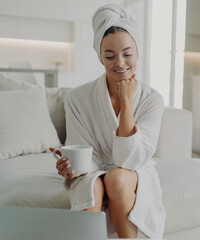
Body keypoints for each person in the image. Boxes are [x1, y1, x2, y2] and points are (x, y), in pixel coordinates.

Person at [51, 4, 166, 239]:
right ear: (100, 57)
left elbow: (129, 160)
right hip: (93, 171)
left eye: (127, 53)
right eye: (110, 56)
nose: (120, 63)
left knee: (116, 178)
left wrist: (127, 103)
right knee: (93, 186)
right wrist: (74, 169)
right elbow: (84, 150)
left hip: (134, 171)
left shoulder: (153, 99)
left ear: (137, 52)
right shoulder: (77, 98)